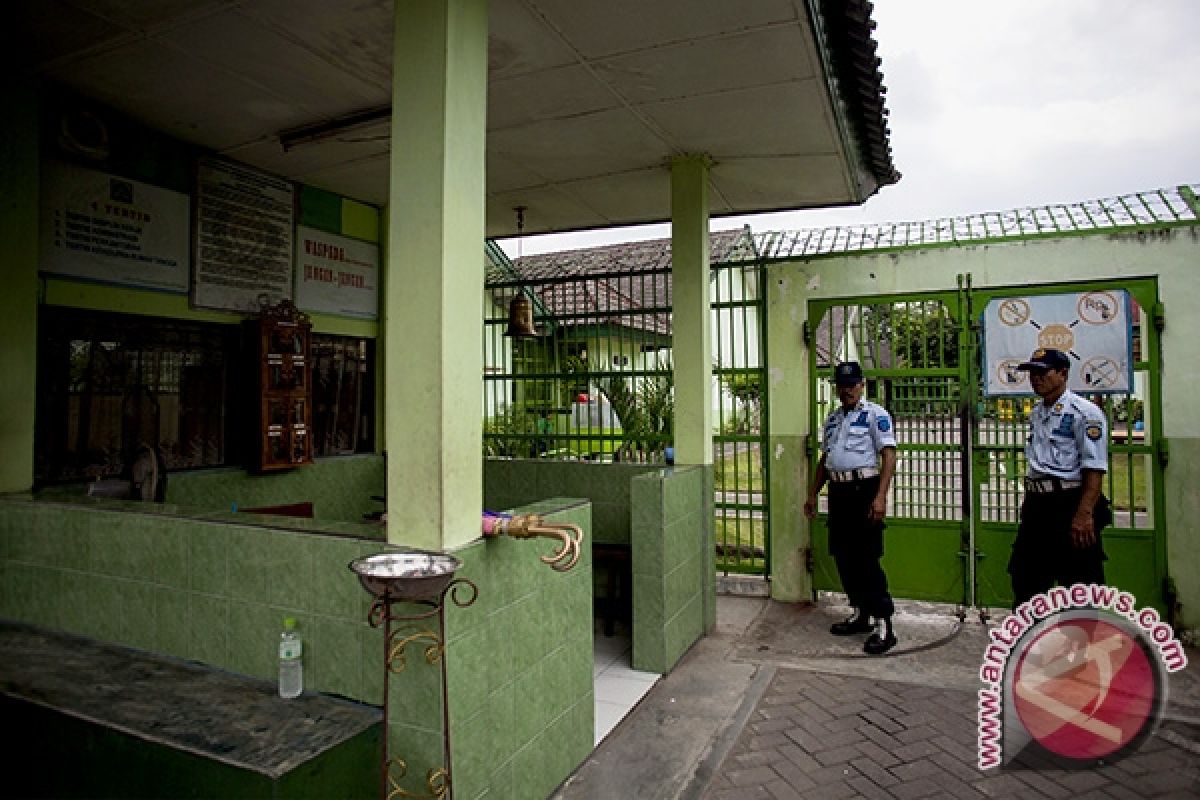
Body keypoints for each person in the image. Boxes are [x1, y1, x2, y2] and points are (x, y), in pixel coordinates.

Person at [804, 361, 899, 655]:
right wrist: (812, 494)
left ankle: (884, 624)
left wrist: (881, 496)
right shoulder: (832, 421)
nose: (846, 390)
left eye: (852, 384)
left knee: (866, 559)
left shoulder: (875, 415)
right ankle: (861, 614)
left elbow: (888, 455)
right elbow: (825, 460)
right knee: (844, 557)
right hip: (839, 492)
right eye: (842, 385)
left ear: (862, 385)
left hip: (864, 490)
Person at [1009, 348, 1112, 607]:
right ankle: (1031, 643)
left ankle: (1084, 644)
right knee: (1026, 579)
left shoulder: (1084, 413)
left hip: (1069, 503)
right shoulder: (1037, 413)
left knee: (1079, 584)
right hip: (1038, 505)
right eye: (1032, 373)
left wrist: (1084, 513)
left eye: (1042, 372)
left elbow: (1094, 468)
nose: (1035, 379)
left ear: (1063, 374)